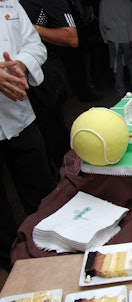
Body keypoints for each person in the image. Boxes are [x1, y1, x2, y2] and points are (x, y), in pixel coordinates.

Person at [0, 0, 55, 271]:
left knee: (42, 191)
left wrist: (20, 65)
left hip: (19, 116)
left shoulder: (11, 3)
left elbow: (35, 45)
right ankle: (13, 268)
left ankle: (50, 251)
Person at [19, 0, 79, 174]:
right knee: (31, 140)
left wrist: (31, 28)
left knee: (54, 133)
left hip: (46, 78)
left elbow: (71, 37)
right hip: (18, 81)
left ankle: (71, 180)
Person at [99, 0, 132, 96]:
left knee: (117, 64)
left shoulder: (104, 3)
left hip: (112, 36)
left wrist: (105, 37)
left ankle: (120, 89)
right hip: (126, 36)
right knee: (131, 61)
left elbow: (102, 22)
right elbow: (131, 21)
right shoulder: (127, 2)